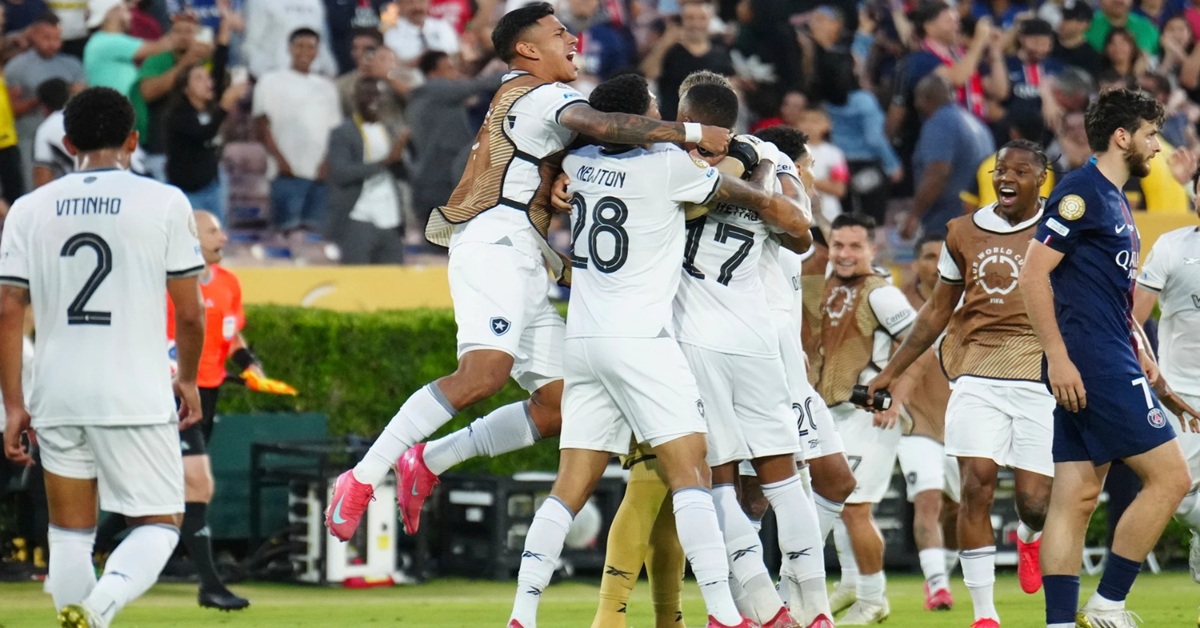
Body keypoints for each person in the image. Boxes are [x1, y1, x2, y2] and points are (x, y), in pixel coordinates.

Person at [322, 2, 730, 542]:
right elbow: (603, 124)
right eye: (559, 32)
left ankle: (430, 460)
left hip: (523, 249)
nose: (573, 40)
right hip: (496, 241)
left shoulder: (532, 98)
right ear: (528, 49)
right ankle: (362, 477)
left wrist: (559, 173)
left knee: (564, 404)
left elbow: (578, 142)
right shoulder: (542, 93)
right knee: (482, 375)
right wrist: (690, 132)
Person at [507, 70, 807, 628]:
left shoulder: (576, 166)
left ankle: (522, 613)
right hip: (642, 342)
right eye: (653, 111)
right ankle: (724, 611)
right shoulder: (668, 168)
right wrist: (751, 159)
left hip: (585, 341)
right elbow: (737, 195)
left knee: (568, 487)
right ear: (641, 119)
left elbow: (586, 152)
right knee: (692, 475)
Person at [0, 86, 205, 628]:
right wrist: (187, 379)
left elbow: (7, 309)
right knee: (160, 525)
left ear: (67, 143)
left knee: (69, 532)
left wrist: (13, 404)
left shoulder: (28, 209)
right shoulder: (164, 201)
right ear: (134, 141)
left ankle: (81, 615)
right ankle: (95, 609)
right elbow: (189, 314)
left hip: (57, 393)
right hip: (133, 389)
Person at [1022, 87, 1199, 628]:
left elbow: (1113, 299)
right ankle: (1108, 604)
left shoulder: (1116, 200)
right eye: (1149, 134)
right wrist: (1059, 357)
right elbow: (1033, 275)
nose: (1155, 146)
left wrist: (1151, 367)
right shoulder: (1081, 193)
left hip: (1106, 354)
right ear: (1122, 136)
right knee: (1172, 479)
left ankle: (1057, 623)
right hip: (1091, 361)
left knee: (1075, 496)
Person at [870, 140, 1059, 628]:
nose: (1006, 178)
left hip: (1038, 370)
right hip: (975, 368)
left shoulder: (1059, 228)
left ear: (1041, 178)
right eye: (1000, 170)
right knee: (976, 481)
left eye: (1020, 170)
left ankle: (1030, 537)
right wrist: (890, 373)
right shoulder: (962, 232)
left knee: (1036, 500)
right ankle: (984, 614)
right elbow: (937, 311)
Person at [670, 81, 830, 628]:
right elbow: (801, 236)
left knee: (718, 481)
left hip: (694, 336)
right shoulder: (771, 159)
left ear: (688, 119)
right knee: (784, 481)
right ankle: (817, 610)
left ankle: (762, 607)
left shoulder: (671, 161)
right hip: (759, 336)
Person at [809, 212, 916, 625]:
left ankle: (874, 598)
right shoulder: (828, 285)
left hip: (869, 417)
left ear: (873, 249)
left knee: (854, 508)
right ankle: (851, 583)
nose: (845, 253)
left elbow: (921, 343)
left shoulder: (881, 293)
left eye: (855, 246)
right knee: (835, 503)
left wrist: (895, 398)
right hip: (832, 413)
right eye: (838, 245)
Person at [165, 210, 253, 611]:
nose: (223, 236)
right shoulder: (167, 285)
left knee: (167, 489)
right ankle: (210, 584)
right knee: (197, 483)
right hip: (175, 394)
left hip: (210, 394)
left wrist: (249, 364)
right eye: (213, 230)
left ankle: (95, 550)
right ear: (192, 237)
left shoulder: (229, 284)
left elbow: (231, 336)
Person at [1133, 166, 1200, 591]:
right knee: (1176, 492)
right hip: (1181, 397)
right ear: (1195, 194)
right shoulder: (1172, 248)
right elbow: (1133, 318)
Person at [893, 233, 959, 614]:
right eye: (928, 256)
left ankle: (943, 572)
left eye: (942, 257)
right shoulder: (896, 303)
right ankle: (937, 586)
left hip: (960, 423)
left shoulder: (968, 302)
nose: (935, 264)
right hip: (915, 423)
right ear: (915, 262)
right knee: (928, 501)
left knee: (956, 509)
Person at [251, 27, 342, 238]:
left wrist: (326, 165)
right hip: (285, 174)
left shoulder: (327, 87)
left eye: (311, 47)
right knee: (286, 235)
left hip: (320, 175)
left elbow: (335, 131)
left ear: (317, 52)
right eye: (299, 45)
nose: (304, 51)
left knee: (315, 236)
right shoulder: (270, 81)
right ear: (290, 48)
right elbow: (261, 125)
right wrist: (281, 161)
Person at [163, 14, 244, 222]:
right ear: (185, 88)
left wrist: (225, 29)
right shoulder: (178, 116)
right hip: (188, 191)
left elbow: (218, 64)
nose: (207, 82)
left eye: (206, 78)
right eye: (199, 78)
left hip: (212, 185)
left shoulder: (209, 107)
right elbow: (203, 133)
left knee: (217, 238)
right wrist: (225, 105)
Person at [324, 77, 409, 265]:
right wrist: (385, 162)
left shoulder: (390, 130)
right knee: (358, 282)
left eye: (378, 95)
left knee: (393, 283)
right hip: (358, 215)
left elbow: (403, 171)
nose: (373, 100)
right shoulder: (343, 133)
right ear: (354, 99)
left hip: (391, 217)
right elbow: (340, 173)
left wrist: (402, 160)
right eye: (367, 95)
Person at [905, 74, 994, 239]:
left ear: (926, 98)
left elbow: (937, 174)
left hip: (947, 220)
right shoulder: (974, 122)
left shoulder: (940, 122)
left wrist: (913, 216)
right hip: (976, 217)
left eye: (917, 98)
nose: (916, 104)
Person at [4, 11, 84, 191]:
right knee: (34, 190)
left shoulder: (72, 64)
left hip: (67, 141)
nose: (52, 44)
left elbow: (83, 100)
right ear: (33, 34)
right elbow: (13, 109)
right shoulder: (16, 67)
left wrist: (71, 92)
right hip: (29, 140)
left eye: (57, 38)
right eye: (46, 38)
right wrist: (44, 98)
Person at [81, 0, 182, 95]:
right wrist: (180, 31)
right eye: (124, 9)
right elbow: (157, 48)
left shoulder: (102, 40)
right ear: (113, 13)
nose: (130, 15)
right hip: (112, 109)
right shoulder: (105, 41)